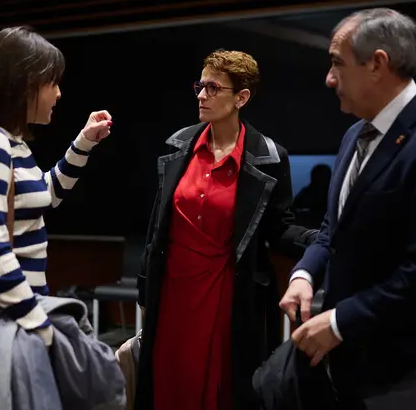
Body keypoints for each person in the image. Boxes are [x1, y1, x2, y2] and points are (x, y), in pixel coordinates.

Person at [279, 8, 416, 409]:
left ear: (377, 64)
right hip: (349, 360)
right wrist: (305, 273)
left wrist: (339, 321)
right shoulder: (355, 134)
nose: (329, 78)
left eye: (337, 63)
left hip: (405, 369)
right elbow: (333, 228)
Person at [134, 49, 317, 410]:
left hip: (229, 293)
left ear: (241, 98)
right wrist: (145, 285)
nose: (202, 95)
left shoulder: (269, 155)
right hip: (172, 291)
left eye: (213, 88)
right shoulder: (179, 144)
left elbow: (279, 228)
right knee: (167, 383)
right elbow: (157, 224)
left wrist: (321, 240)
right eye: (200, 86)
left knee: (224, 388)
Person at [0, 26, 112, 347]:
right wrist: (41, 328)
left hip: (15, 320)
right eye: (52, 82)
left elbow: (46, 195)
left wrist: (83, 143)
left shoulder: (13, 143)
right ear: (24, 85)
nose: (58, 94)